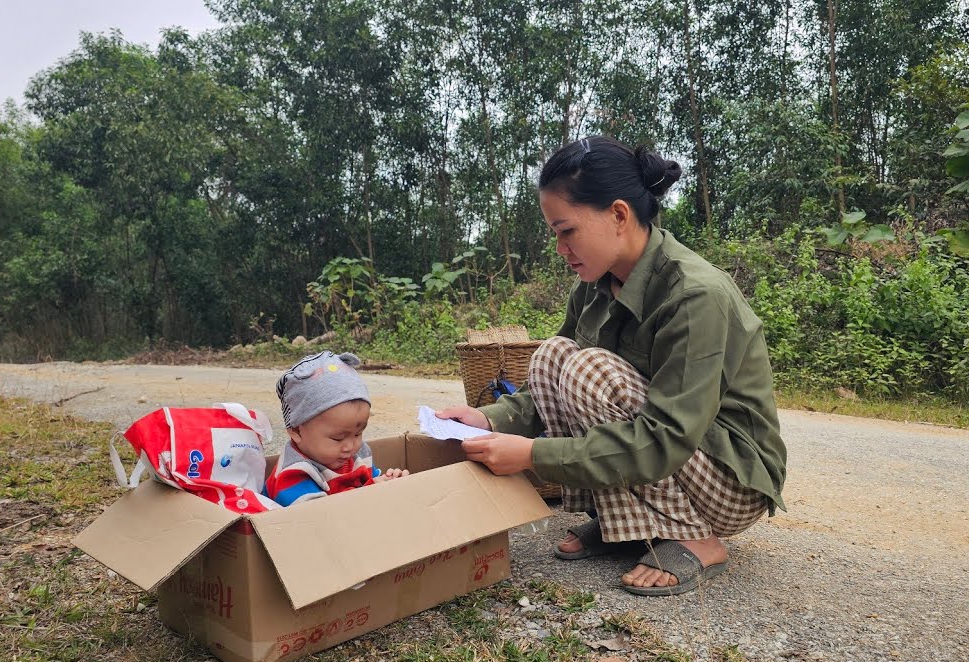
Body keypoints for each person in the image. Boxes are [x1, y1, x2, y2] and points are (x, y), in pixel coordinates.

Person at [437, 136, 786, 596]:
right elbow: (546, 385)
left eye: (567, 231)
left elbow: (666, 439)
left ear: (618, 215)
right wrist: (487, 419)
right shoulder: (596, 282)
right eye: (555, 234)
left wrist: (533, 455)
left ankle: (698, 539)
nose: (561, 249)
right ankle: (627, 526)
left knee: (589, 372)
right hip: (673, 459)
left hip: (727, 479)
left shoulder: (695, 296)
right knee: (552, 357)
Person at [267, 351, 408, 506]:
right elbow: (316, 517)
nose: (350, 446)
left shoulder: (357, 454)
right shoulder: (294, 474)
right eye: (338, 438)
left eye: (358, 434)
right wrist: (371, 490)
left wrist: (390, 481)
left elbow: (372, 479)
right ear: (297, 431)